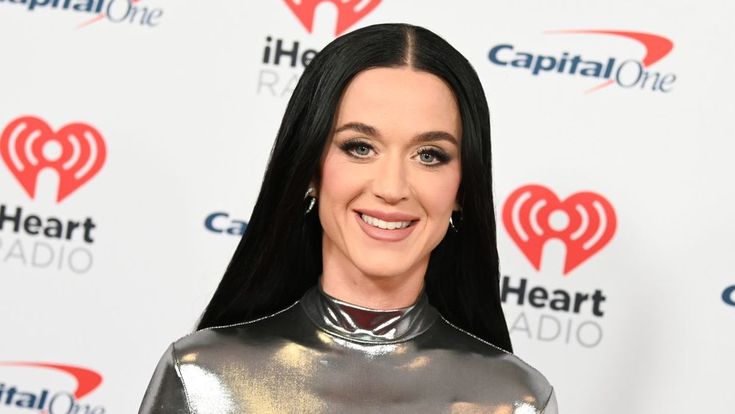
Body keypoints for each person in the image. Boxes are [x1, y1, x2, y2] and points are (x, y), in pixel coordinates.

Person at [138, 23, 558, 413]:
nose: (392, 187)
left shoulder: (515, 401)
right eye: (360, 147)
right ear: (310, 171)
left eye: (429, 155)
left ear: (463, 190)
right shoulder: (200, 377)